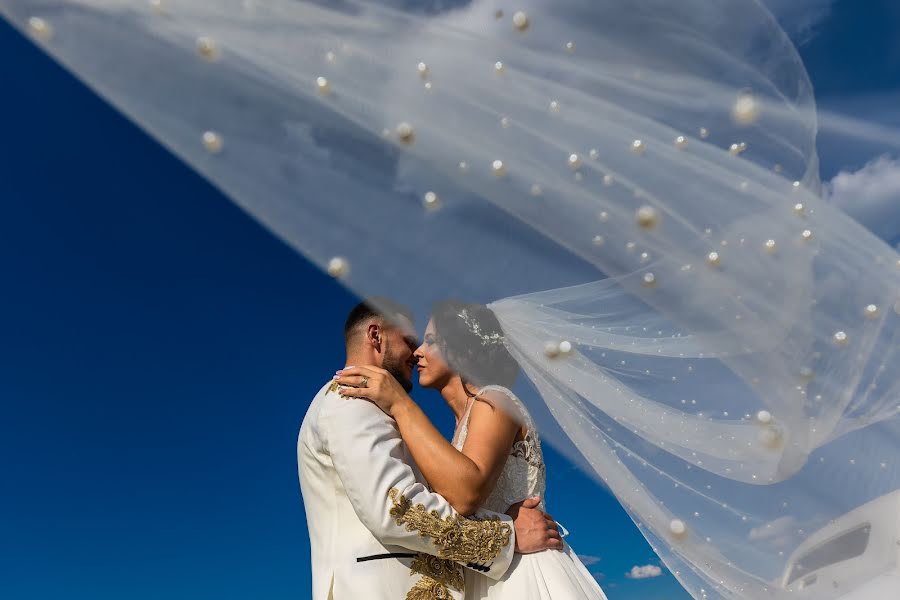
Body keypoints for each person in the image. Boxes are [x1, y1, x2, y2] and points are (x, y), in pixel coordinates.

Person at [336, 301, 608, 599]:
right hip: (486, 571)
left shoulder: (497, 400)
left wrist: (400, 404)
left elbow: (465, 493)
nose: (417, 352)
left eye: (430, 341)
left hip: (523, 571)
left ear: (462, 350)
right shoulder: (456, 432)